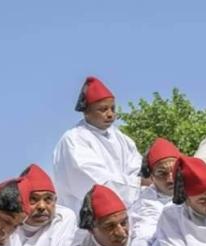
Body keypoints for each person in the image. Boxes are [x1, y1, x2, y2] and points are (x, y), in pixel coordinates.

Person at [52, 76, 144, 213]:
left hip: (124, 213)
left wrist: (141, 182)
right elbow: (94, 181)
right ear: (86, 111)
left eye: (113, 108)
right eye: (103, 109)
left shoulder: (121, 138)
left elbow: (136, 167)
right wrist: (137, 184)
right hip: (84, 215)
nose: (110, 114)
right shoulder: (74, 139)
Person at [128, 138, 182, 246]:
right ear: (151, 177)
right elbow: (142, 241)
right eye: (162, 173)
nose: (171, 179)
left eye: (175, 171)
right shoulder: (147, 204)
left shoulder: (198, 190)